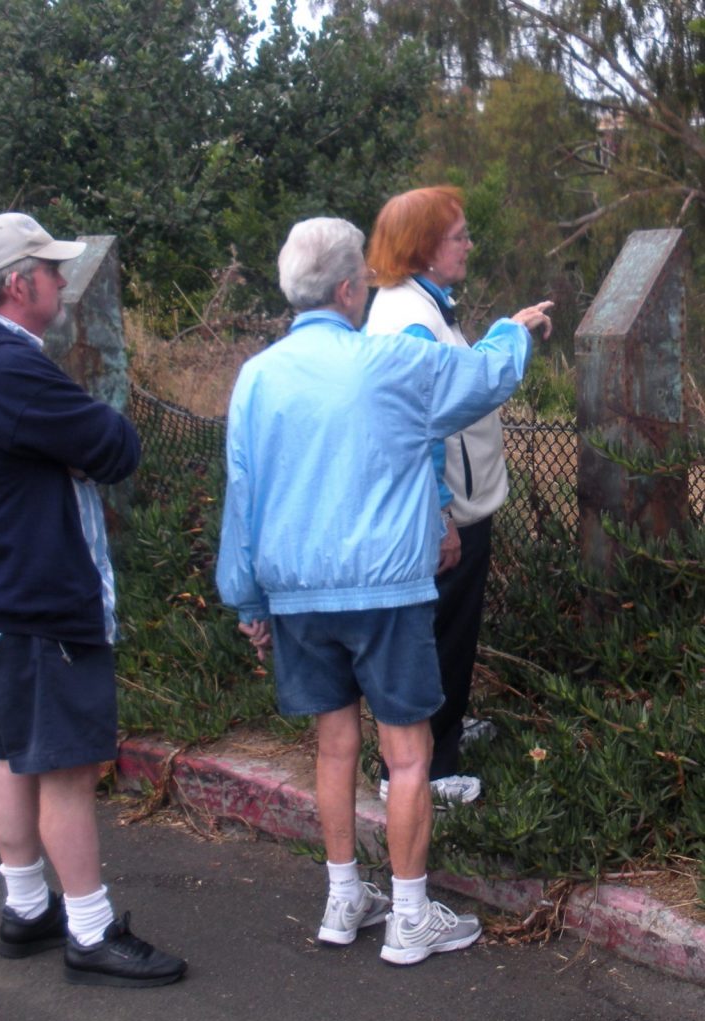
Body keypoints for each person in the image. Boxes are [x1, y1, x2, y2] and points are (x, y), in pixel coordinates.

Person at [216, 217, 552, 966]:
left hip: (297, 591)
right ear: (345, 288)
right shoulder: (389, 365)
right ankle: (408, 915)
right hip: (386, 588)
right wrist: (511, 330)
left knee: (334, 749)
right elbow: (486, 378)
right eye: (360, 278)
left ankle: (343, 899)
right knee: (407, 755)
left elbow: (243, 491)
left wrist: (246, 599)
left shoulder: (257, 377)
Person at [0, 212, 186, 988]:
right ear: (19, 284)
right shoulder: (9, 368)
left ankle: (27, 906)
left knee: (12, 757)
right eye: (54, 271)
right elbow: (115, 447)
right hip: (36, 598)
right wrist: (86, 441)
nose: (64, 283)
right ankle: (91, 930)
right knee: (67, 767)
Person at [366, 186, 541, 806]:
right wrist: (440, 514)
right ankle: (425, 770)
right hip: (444, 514)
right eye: (459, 235)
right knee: (439, 630)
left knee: (453, 628)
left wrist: (507, 332)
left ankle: (442, 732)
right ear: (424, 247)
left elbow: (459, 378)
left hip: (455, 507)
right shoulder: (409, 320)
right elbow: (421, 423)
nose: (469, 244)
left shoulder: (424, 305)